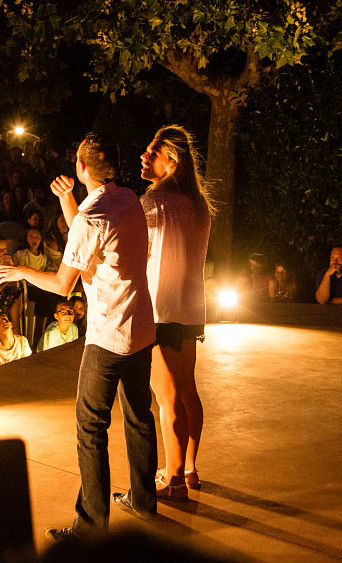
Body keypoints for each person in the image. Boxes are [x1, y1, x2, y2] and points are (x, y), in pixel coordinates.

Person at [0, 131, 157, 539]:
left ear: (81, 167)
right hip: (140, 325)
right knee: (138, 415)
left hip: (108, 335)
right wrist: (69, 203)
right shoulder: (127, 200)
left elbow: (65, 284)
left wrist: (22, 271)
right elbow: (89, 240)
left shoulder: (90, 216)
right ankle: (143, 499)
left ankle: (90, 528)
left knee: (90, 426)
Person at [137, 125, 213, 499]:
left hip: (161, 308)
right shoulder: (199, 206)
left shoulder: (153, 203)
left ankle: (172, 479)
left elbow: (139, 254)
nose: (144, 156)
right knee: (187, 391)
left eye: (152, 152)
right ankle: (190, 468)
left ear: (172, 160)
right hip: (191, 307)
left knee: (165, 399)